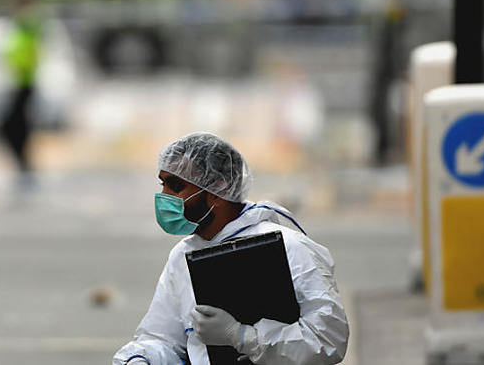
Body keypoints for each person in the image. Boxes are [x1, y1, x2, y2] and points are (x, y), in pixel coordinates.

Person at [113, 132, 348, 365]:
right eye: (163, 184)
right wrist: (141, 358)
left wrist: (241, 336)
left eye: (176, 187)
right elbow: (163, 338)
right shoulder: (182, 256)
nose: (164, 197)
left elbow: (328, 340)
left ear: (219, 187)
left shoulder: (291, 248)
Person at [0, 0, 42, 177]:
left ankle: (24, 163)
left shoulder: (28, 18)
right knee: (17, 125)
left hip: (25, 80)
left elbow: (28, 43)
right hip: (18, 79)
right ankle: (23, 163)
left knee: (13, 125)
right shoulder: (22, 19)